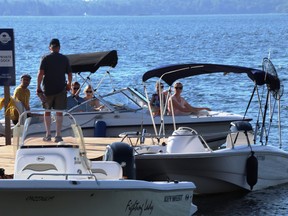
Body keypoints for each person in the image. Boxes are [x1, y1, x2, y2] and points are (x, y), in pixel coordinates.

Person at [37, 38, 72, 143]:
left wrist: (38, 87)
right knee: (59, 112)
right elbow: (70, 74)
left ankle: (48, 134)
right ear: (59, 48)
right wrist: (69, 85)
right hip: (61, 89)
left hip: (48, 90)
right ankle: (58, 135)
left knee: (47, 112)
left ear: (50, 47)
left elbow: (40, 74)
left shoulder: (45, 58)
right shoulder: (64, 59)